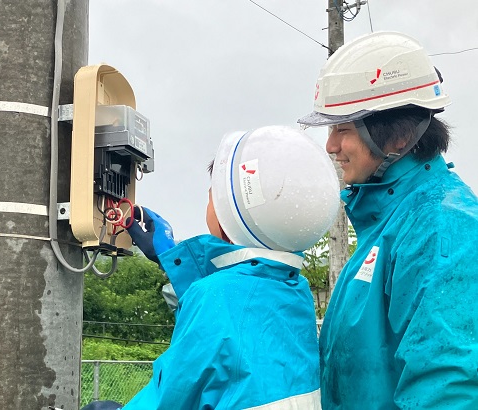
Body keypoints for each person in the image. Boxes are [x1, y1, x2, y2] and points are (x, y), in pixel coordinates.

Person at [297, 31, 478, 409]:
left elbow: (449, 389)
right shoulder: (390, 222)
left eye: (342, 129)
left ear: (398, 138)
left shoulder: (443, 225)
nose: (330, 146)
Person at [121, 125, 340, 409]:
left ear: (228, 215)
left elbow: (171, 397)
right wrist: (172, 257)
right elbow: (237, 318)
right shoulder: (293, 289)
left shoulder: (214, 297)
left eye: (212, 194)